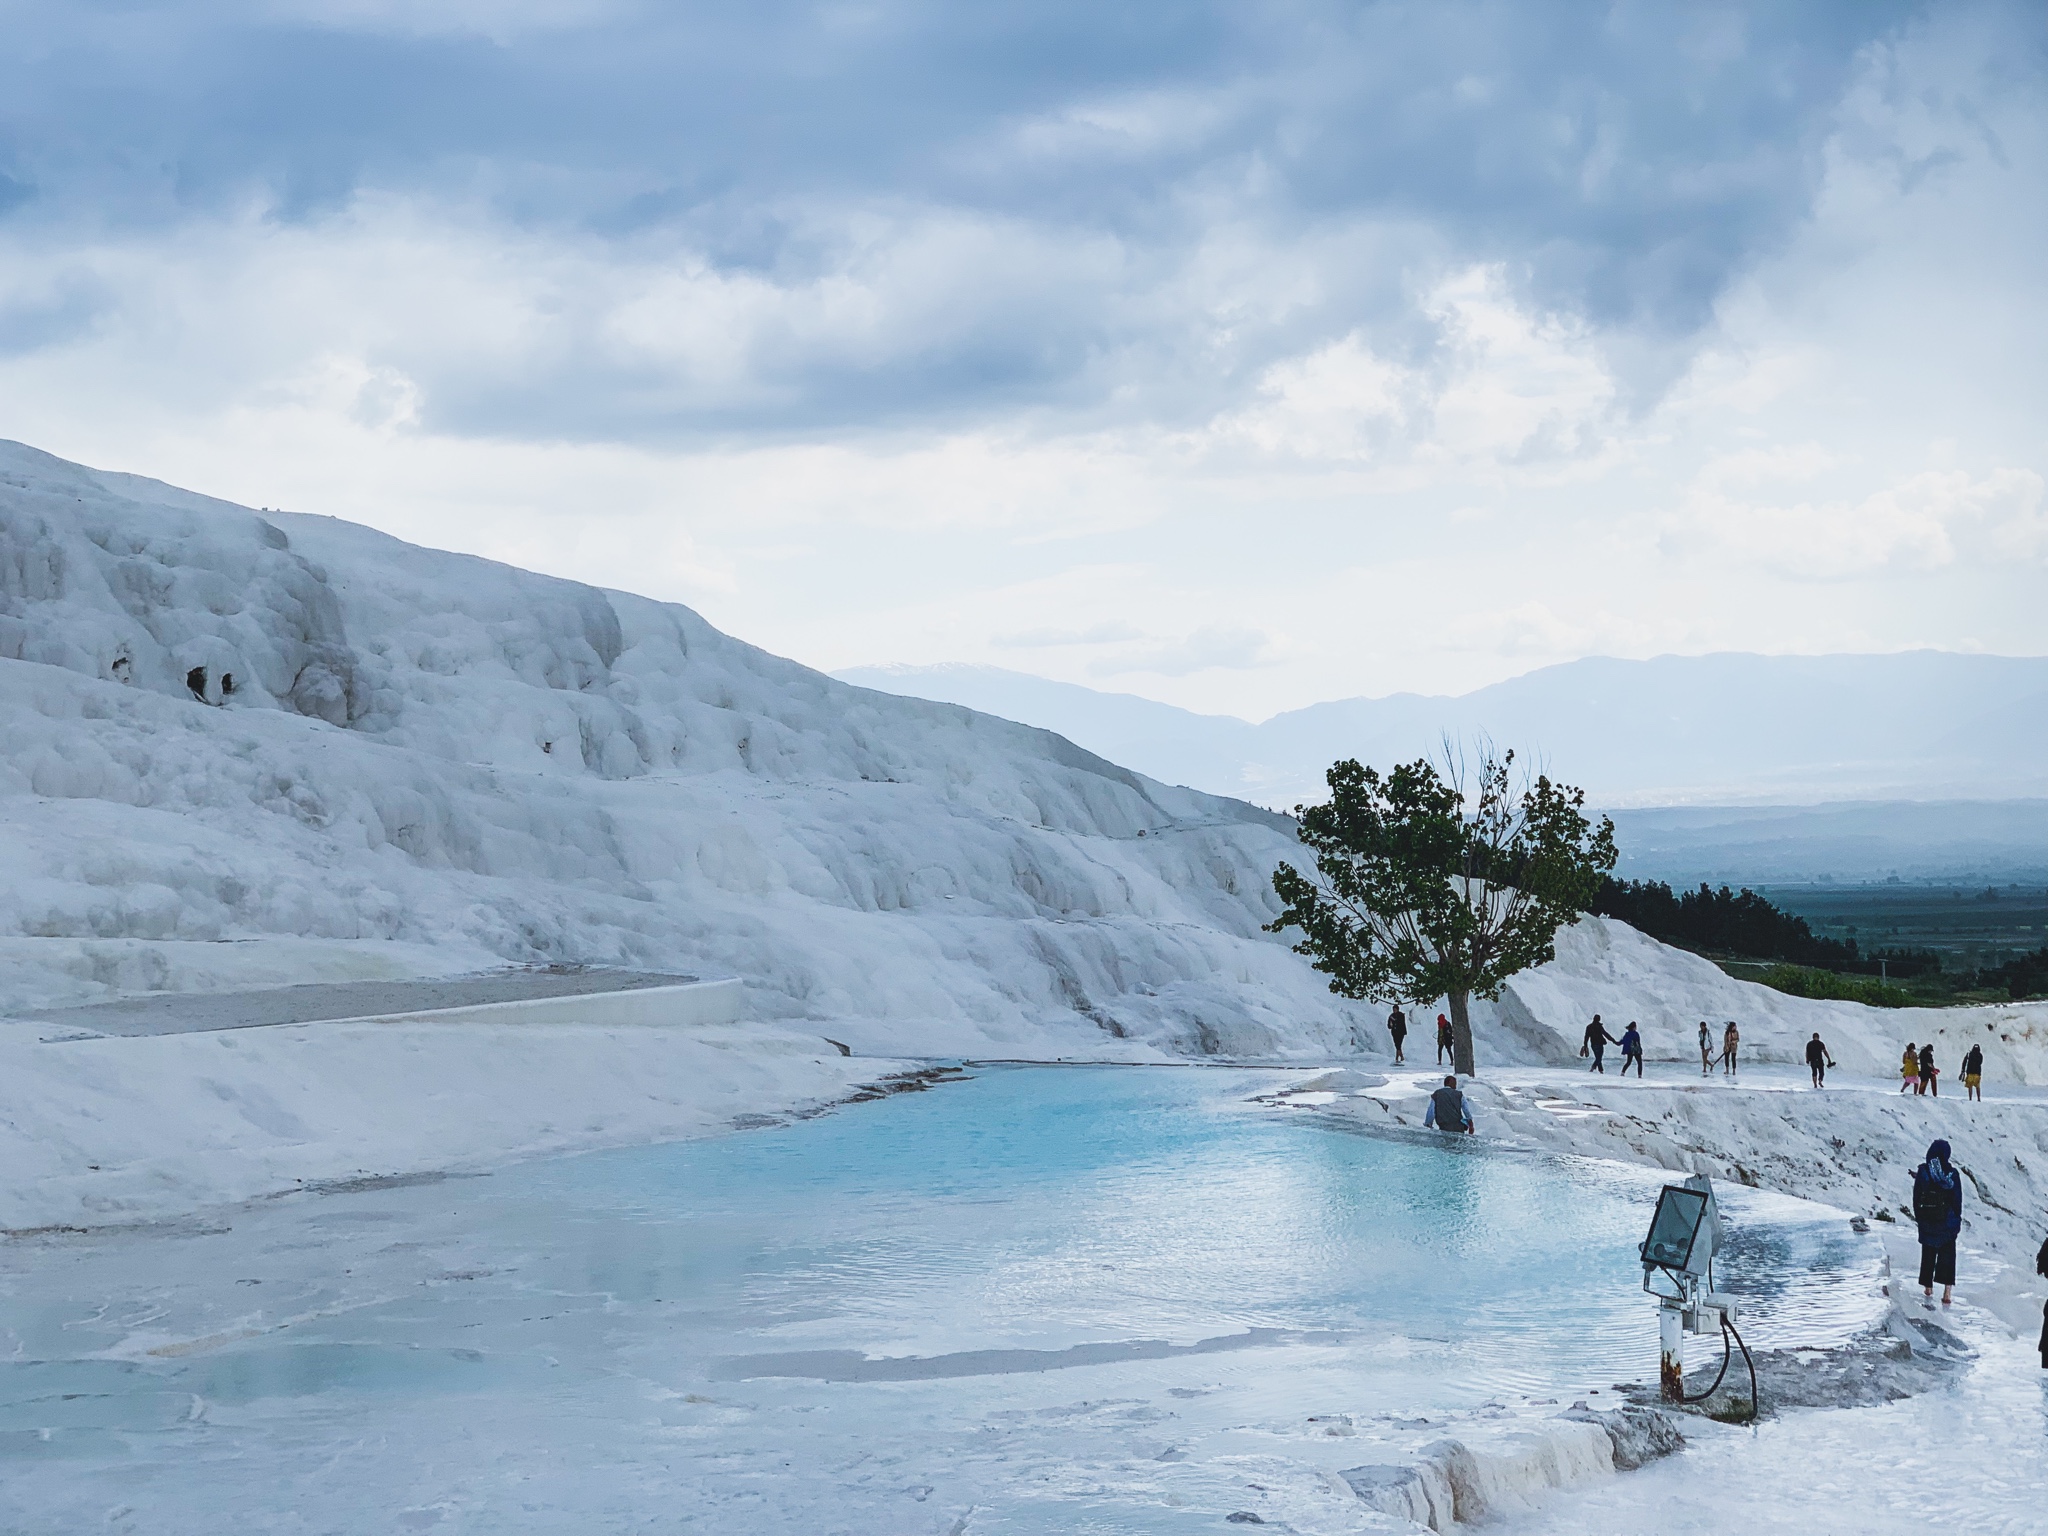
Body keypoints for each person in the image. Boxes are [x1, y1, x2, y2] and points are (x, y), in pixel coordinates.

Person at [1911, 1138, 1963, 1306]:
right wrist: (1956, 1219)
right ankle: (1947, 1292)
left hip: (1928, 1221)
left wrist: (1920, 1217)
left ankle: (1928, 1287)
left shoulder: (1924, 1171)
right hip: (1947, 1222)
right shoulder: (1952, 1174)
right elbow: (1957, 1200)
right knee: (1948, 1255)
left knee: (1928, 1253)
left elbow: (1916, 1197)